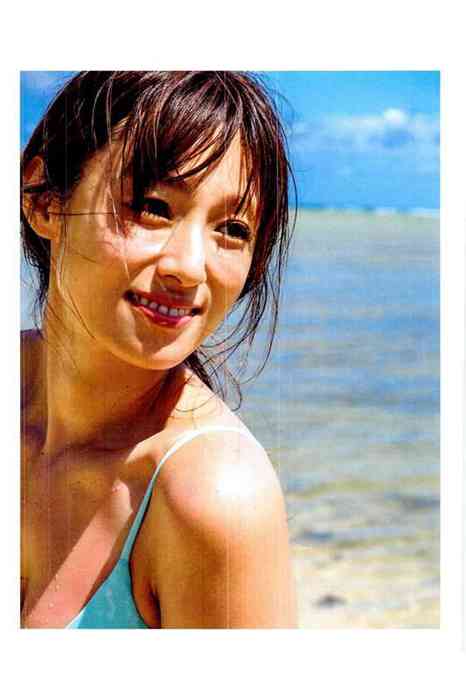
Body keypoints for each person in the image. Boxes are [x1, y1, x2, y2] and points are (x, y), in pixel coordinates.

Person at [20, 71, 297, 628]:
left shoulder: (214, 499)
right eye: (152, 206)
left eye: (233, 230)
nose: (188, 267)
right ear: (44, 199)